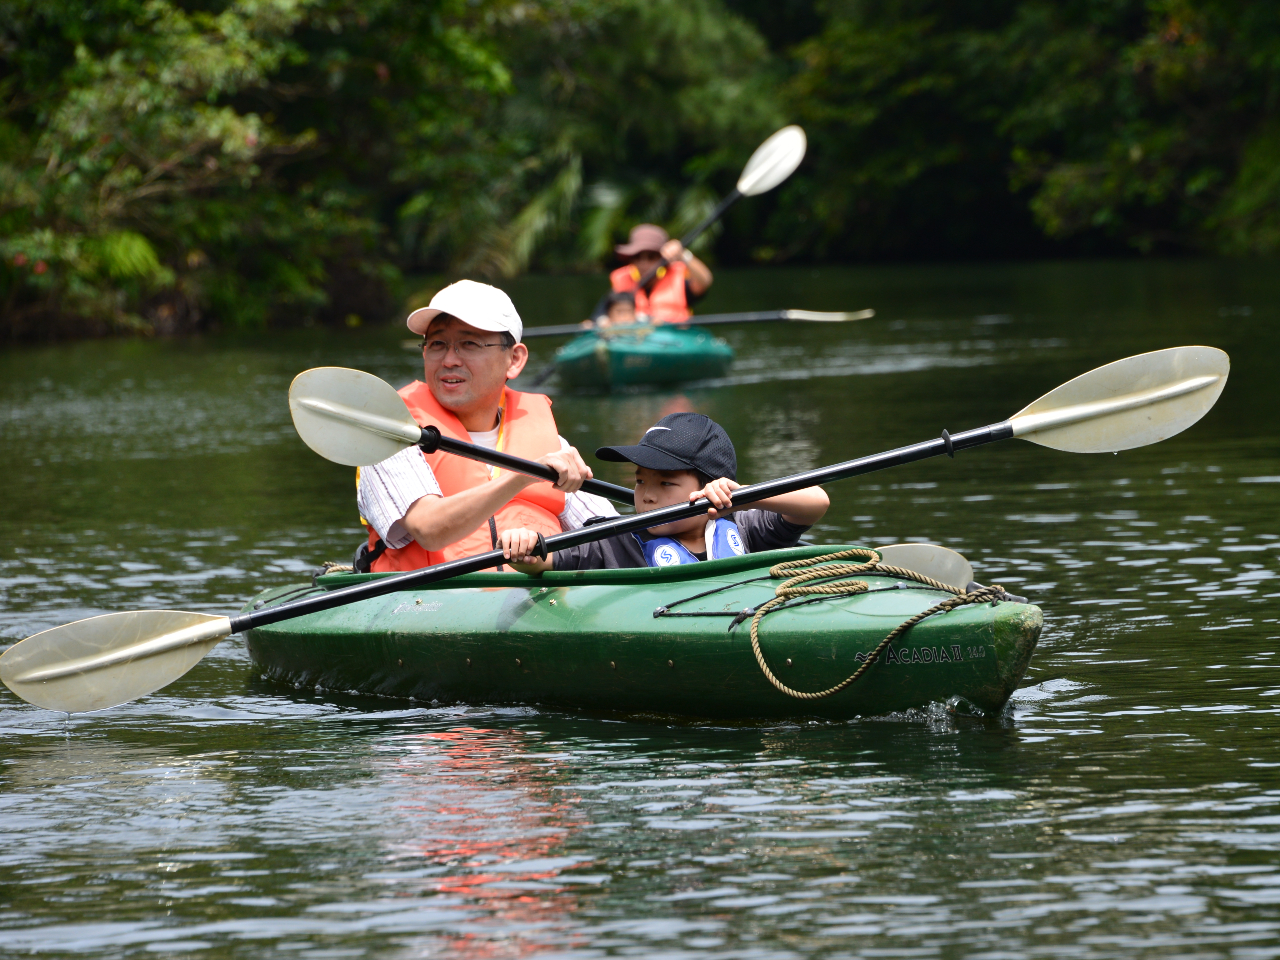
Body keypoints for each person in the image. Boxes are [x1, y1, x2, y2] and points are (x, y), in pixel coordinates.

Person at [355, 280, 618, 572]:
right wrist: (524, 475)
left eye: (469, 344)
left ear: (514, 359)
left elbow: (612, 535)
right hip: (427, 603)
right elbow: (429, 529)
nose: (450, 360)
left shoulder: (552, 445)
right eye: (437, 344)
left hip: (536, 602)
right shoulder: (393, 432)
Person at [495, 412, 828, 571]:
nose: (647, 496)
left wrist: (742, 497)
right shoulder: (614, 540)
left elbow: (815, 502)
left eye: (665, 483)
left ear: (709, 486)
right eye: (641, 481)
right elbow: (544, 562)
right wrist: (524, 547)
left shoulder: (745, 526)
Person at [608, 224, 713, 324]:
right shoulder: (621, 282)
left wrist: (683, 254)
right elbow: (602, 318)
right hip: (632, 338)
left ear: (661, 258)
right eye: (637, 257)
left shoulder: (679, 279)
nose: (644, 263)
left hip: (674, 337)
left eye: (651, 257)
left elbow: (705, 281)